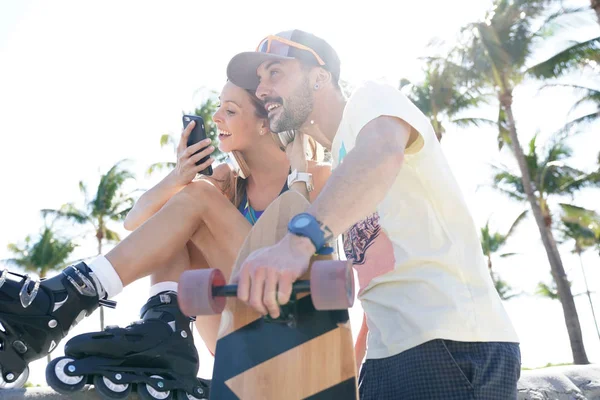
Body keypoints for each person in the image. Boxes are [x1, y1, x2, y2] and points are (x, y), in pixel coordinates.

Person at [225, 29, 522, 399]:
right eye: (258, 81)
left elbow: (382, 152)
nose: (262, 89)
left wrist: (298, 243)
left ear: (320, 77)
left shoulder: (370, 100)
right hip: (387, 356)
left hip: (449, 339)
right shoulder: (339, 162)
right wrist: (298, 162)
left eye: (274, 73)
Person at [0, 79, 330, 389]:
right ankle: (166, 327)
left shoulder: (318, 176)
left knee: (200, 196)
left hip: (291, 324)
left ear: (264, 123)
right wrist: (178, 177)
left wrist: (299, 172)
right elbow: (136, 221)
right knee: (180, 215)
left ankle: (65, 297)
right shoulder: (229, 182)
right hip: (233, 333)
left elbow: (307, 257)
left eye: (230, 110)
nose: (216, 118)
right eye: (218, 108)